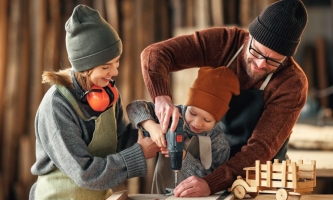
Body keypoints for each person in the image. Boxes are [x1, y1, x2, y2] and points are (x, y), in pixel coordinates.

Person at [140, 0, 308, 197]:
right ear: (250, 36)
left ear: (286, 58)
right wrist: (161, 97)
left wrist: (212, 183)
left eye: (273, 61)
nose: (261, 64)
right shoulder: (225, 42)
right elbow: (154, 54)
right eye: (257, 51)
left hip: (261, 178)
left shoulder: (292, 83)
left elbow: (260, 150)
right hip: (215, 163)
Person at [29, 5, 159, 200]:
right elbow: (85, 173)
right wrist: (139, 154)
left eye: (116, 63)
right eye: (106, 66)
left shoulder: (109, 94)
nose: (115, 72)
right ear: (84, 68)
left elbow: (121, 140)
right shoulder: (57, 107)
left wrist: (152, 133)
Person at [126, 66, 240, 194]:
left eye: (207, 120)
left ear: (217, 120)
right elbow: (133, 108)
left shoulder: (219, 141)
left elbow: (214, 181)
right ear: (187, 105)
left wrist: (185, 158)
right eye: (192, 113)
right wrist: (151, 126)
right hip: (160, 193)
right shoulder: (173, 114)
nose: (197, 123)